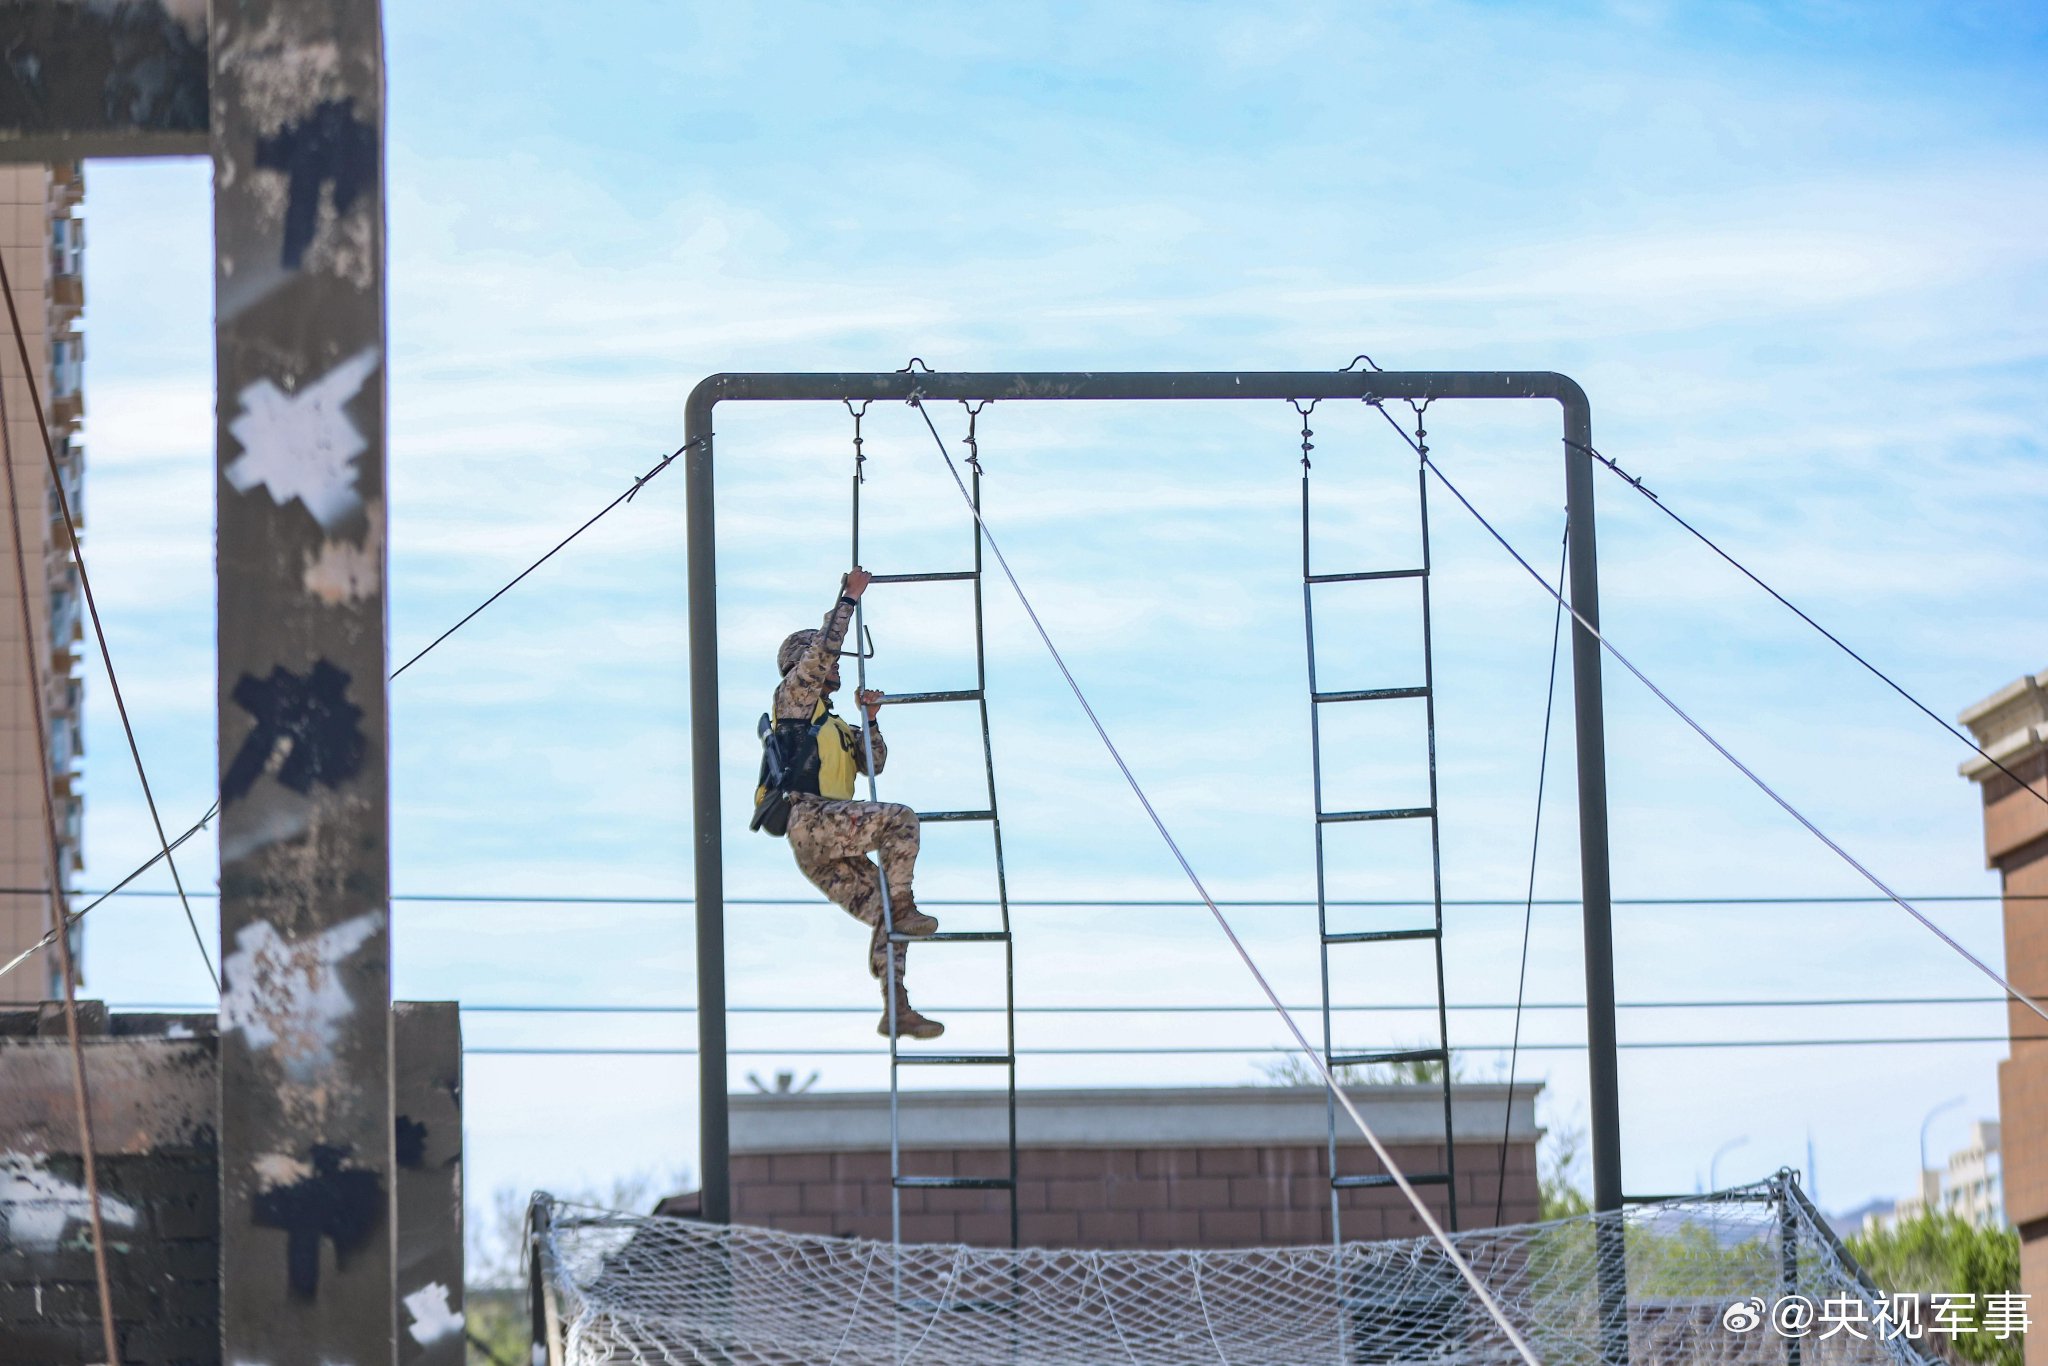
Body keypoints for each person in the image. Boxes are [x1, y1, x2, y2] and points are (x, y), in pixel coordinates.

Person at [764, 566, 945, 1040]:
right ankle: (905, 903)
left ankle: (897, 1005)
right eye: (830, 660)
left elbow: (874, 763)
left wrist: (871, 720)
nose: (838, 665)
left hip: (826, 841)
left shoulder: (834, 724)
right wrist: (847, 601)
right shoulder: (795, 700)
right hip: (811, 817)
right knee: (900, 821)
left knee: (885, 913)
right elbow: (822, 653)